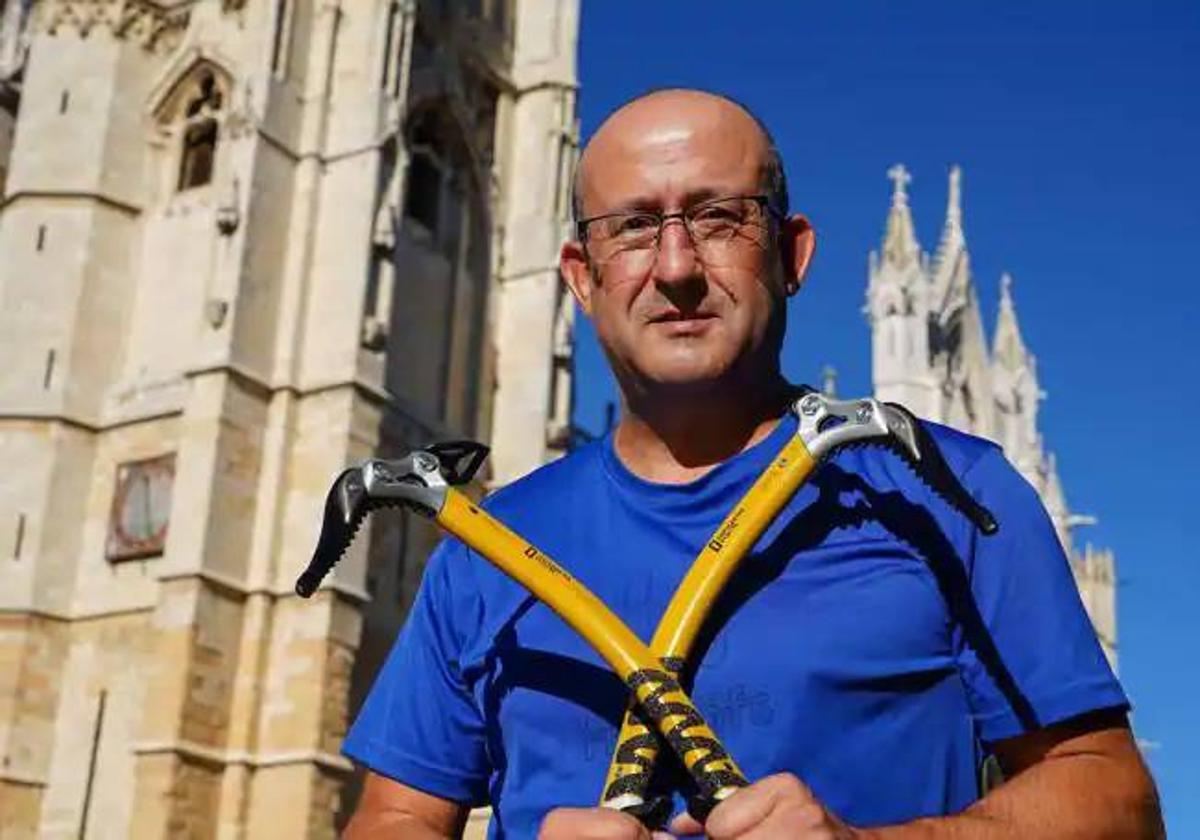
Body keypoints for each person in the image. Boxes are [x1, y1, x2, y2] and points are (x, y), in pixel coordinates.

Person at [342, 89, 1162, 839]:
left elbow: (1114, 802)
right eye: (631, 226)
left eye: (719, 218)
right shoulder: (484, 550)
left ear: (793, 254)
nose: (675, 267)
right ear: (580, 279)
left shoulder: (951, 495)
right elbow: (393, 818)